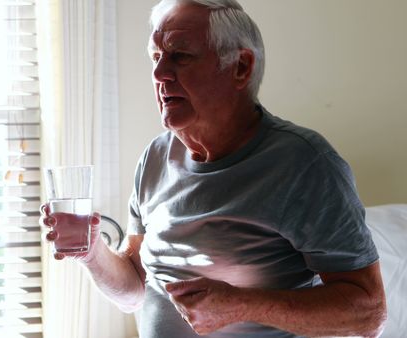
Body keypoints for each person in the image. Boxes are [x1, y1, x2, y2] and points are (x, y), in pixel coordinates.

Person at [40, 0, 388, 337]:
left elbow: (368, 313)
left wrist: (243, 306)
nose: (159, 74)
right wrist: (91, 251)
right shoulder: (156, 157)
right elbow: (135, 289)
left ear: (240, 67)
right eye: (156, 57)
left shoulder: (305, 163)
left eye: (180, 56)